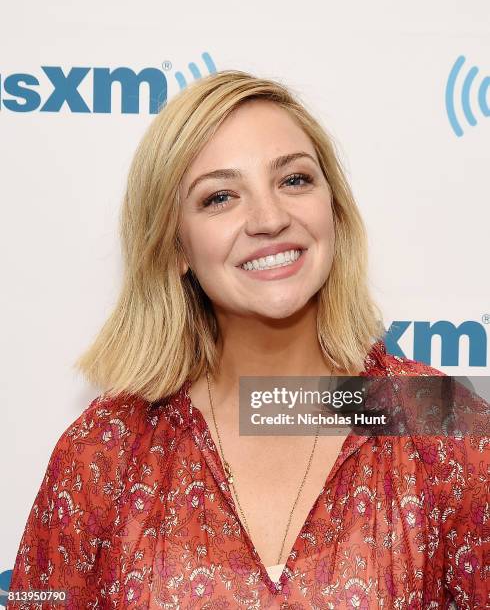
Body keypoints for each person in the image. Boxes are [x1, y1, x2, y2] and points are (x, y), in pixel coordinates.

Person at [8, 71, 488, 609]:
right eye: (219, 197)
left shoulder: (440, 420)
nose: (269, 218)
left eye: (294, 180)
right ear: (175, 247)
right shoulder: (106, 449)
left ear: (333, 208)